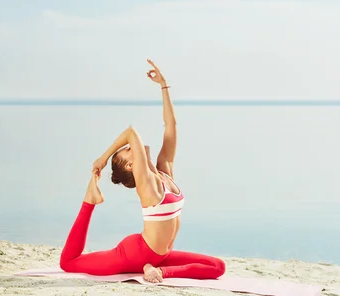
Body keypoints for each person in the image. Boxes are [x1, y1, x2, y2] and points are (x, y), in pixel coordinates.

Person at [59, 59, 226, 283]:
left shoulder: (165, 172)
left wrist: (164, 86)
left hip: (158, 255)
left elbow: (171, 126)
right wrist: (104, 157)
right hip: (134, 254)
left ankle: (156, 270)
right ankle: (89, 200)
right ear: (132, 166)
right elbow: (131, 132)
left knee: (218, 266)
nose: (130, 147)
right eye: (128, 151)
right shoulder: (148, 185)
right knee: (69, 263)